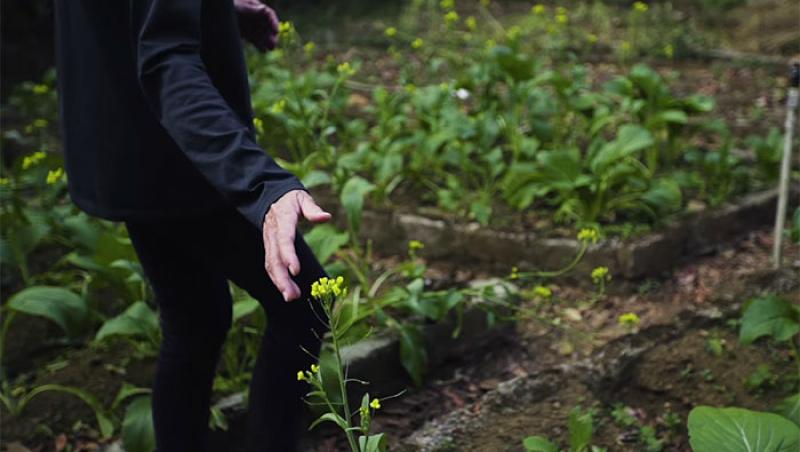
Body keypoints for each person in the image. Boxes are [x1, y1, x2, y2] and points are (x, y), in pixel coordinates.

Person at [53, 0, 332, 450]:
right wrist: (261, 183)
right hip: (183, 156)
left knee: (195, 320)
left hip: (126, 146)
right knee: (303, 304)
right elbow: (166, 61)